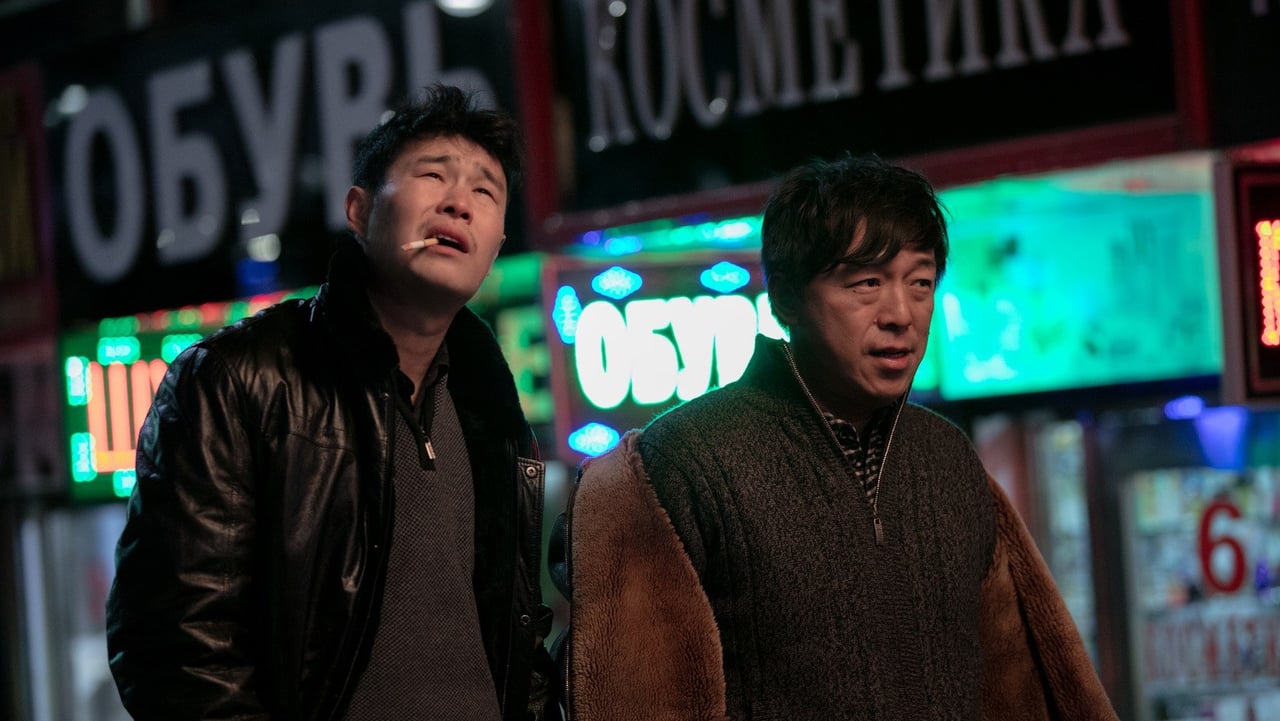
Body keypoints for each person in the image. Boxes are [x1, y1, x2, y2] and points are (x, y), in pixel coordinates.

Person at [552, 153, 1119, 721]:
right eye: (867, 283)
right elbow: (643, 698)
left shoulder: (947, 457)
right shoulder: (686, 458)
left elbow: (1009, 684)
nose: (900, 313)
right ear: (786, 297)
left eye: (920, 283)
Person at [106, 84, 558, 721]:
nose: (460, 202)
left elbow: (518, 638)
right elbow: (174, 648)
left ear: (497, 244)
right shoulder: (238, 379)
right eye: (433, 176)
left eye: (485, 192)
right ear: (359, 210)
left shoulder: (491, 408)